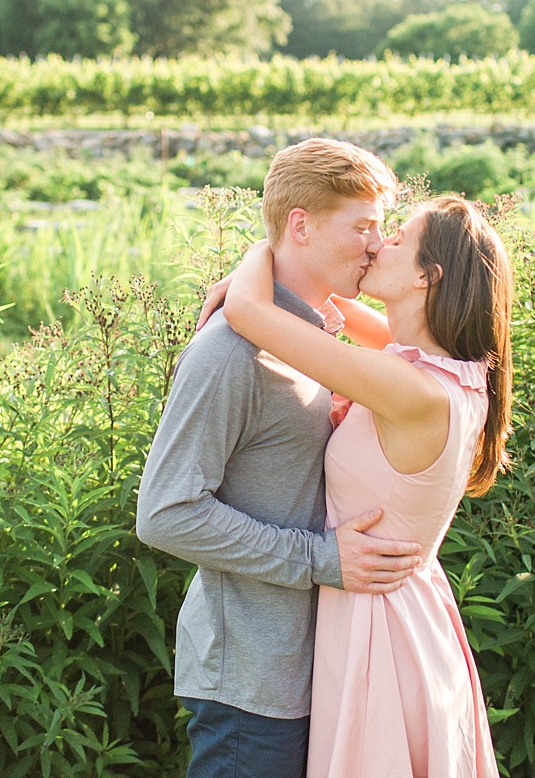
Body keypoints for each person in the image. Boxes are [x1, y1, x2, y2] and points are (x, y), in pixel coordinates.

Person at [136, 138, 428, 778]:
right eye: (363, 227)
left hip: (314, 665)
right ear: (301, 225)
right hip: (250, 680)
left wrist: (253, 266)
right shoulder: (229, 355)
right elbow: (165, 512)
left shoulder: (313, 337)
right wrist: (321, 559)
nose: (377, 245)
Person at [220, 194, 513, 778]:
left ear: (428, 277)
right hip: (409, 614)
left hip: (379, 631)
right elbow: (334, 310)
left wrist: (271, 244)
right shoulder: (451, 373)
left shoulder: (411, 389)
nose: (380, 243)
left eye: (399, 238)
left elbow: (250, 314)